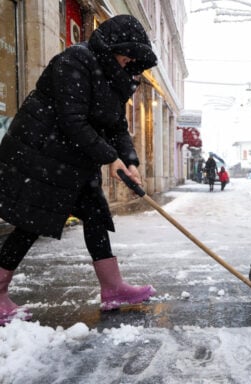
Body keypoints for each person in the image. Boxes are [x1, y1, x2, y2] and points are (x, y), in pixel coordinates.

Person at [0, 15, 158, 326]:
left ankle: (112, 288)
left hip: (76, 160)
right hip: (43, 157)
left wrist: (130, 161)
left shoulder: (116, 77)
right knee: (32, 224)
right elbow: (73, 120)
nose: (128, 61)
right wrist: (109, 159)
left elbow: (116, 125)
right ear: (112, 46)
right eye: (126, 53)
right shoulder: (74, 61)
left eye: (133, 58)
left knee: (96, 216)